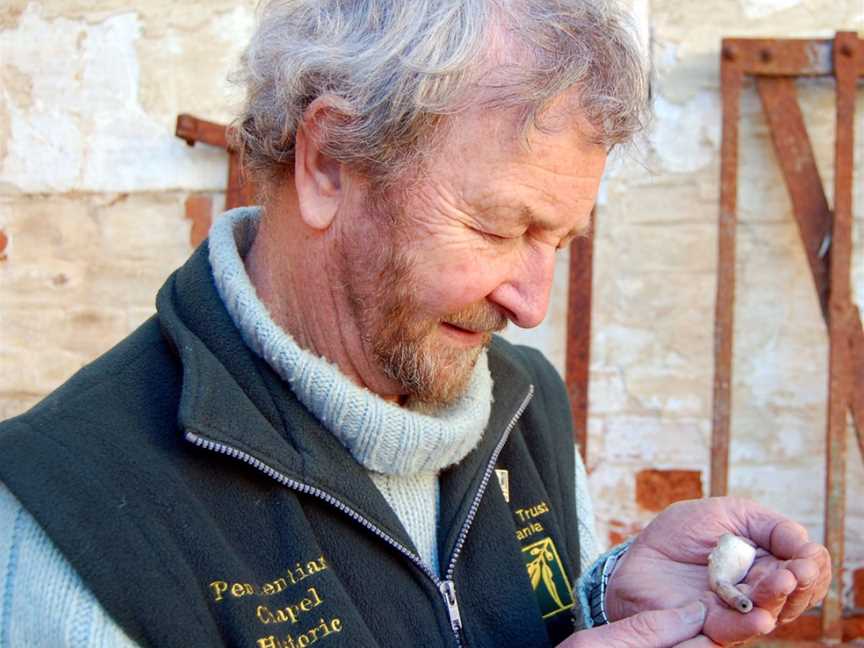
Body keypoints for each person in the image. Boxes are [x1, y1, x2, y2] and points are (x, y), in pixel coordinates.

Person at [0, 1, 830, 647]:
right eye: (500, 229)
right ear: (329, 160)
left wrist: (606, 598)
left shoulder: (522, 403)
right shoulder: (74, 523)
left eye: (559, 241)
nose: (532, 305)